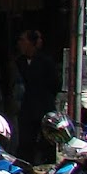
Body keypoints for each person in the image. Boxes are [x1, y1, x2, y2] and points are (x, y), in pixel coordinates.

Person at [15, 28, 61, 161]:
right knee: (25, 142)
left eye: (23, 40)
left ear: (31, 42)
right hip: (26, 109)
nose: (20, 43)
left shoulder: (46, 62)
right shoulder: (19, 62)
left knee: (47, 143)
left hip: (43, 108)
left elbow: (55, 84)